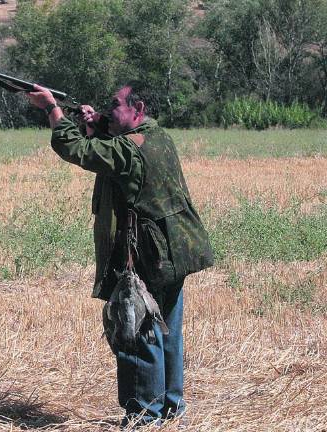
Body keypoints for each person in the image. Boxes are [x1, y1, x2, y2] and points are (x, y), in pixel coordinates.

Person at [26, 82, 214, 427]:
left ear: (137, 108)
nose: (108, 109)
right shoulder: (157, 134)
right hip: (175, 252)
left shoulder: (130, 148)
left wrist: (51, 109)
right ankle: (172, 408)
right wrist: (98, 125)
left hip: (146, 256)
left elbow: (76, 150)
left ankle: (145, 415)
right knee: (166, 332)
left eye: (115, 105)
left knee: (137, 331)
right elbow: (110, 150)